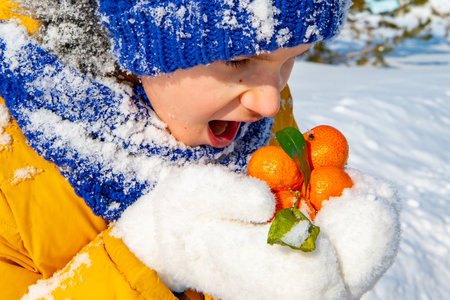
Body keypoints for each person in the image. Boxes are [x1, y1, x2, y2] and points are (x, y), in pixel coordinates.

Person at [0, 0, 400, 299]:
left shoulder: (250, 110)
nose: (271, 104)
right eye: (236, 59)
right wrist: (153, 255)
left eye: (292, 59)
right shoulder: (11, 161)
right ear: (140, 42)